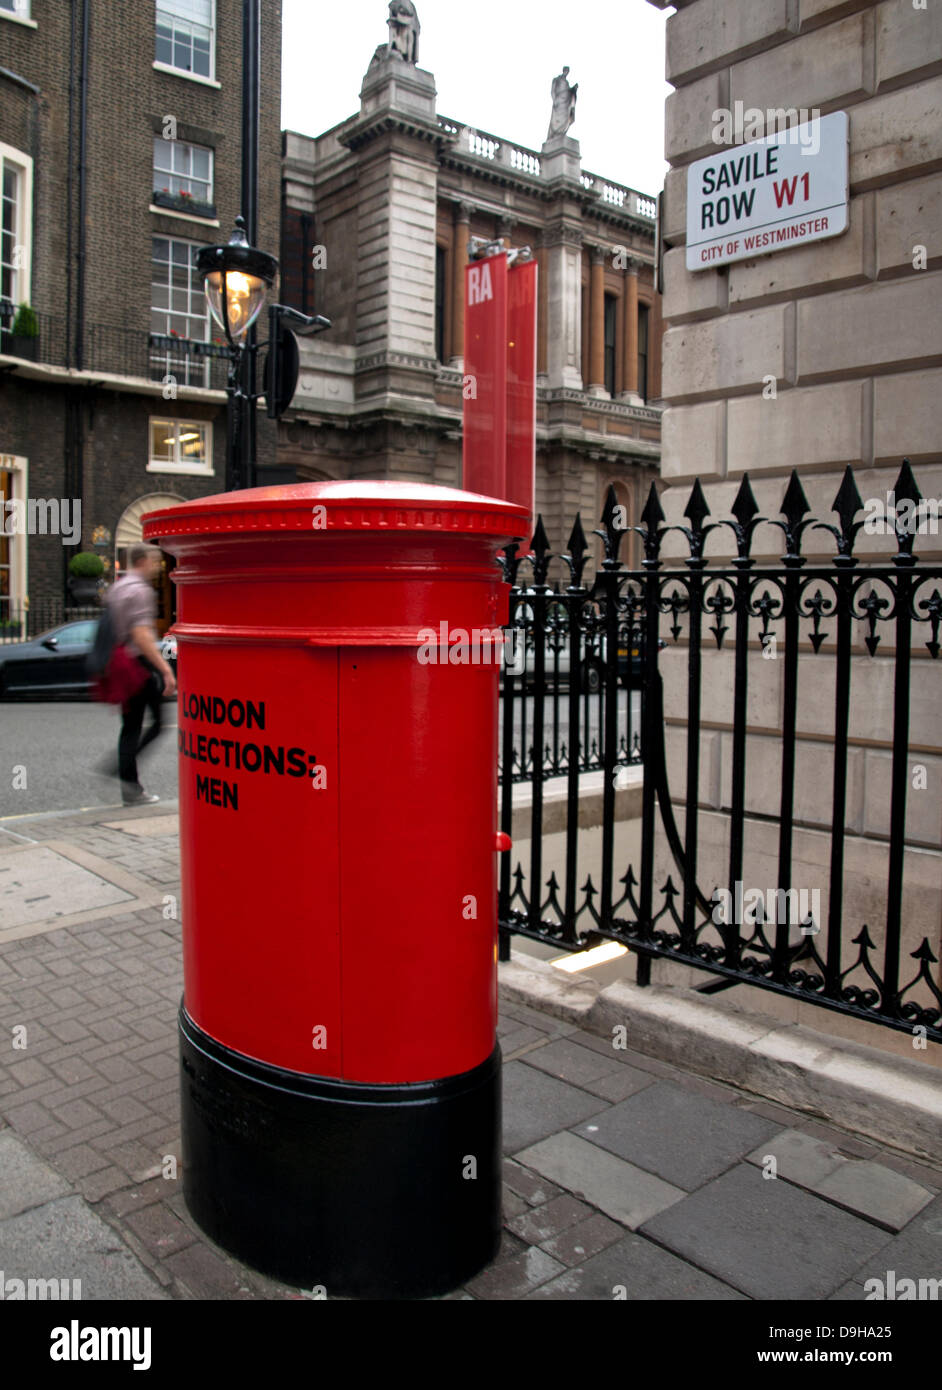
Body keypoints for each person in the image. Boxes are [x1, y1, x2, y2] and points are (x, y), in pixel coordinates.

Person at [103, 543, 176, 805]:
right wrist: (165, 669)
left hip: (119, 663)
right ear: (142, 560)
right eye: (155, 562)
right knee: (158, 722)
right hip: (137, 663)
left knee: (131, 726)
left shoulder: (116, 589)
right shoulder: (140, 591)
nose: (158, 568)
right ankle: (122, 773)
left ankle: (129, 786)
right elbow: (142, 635)